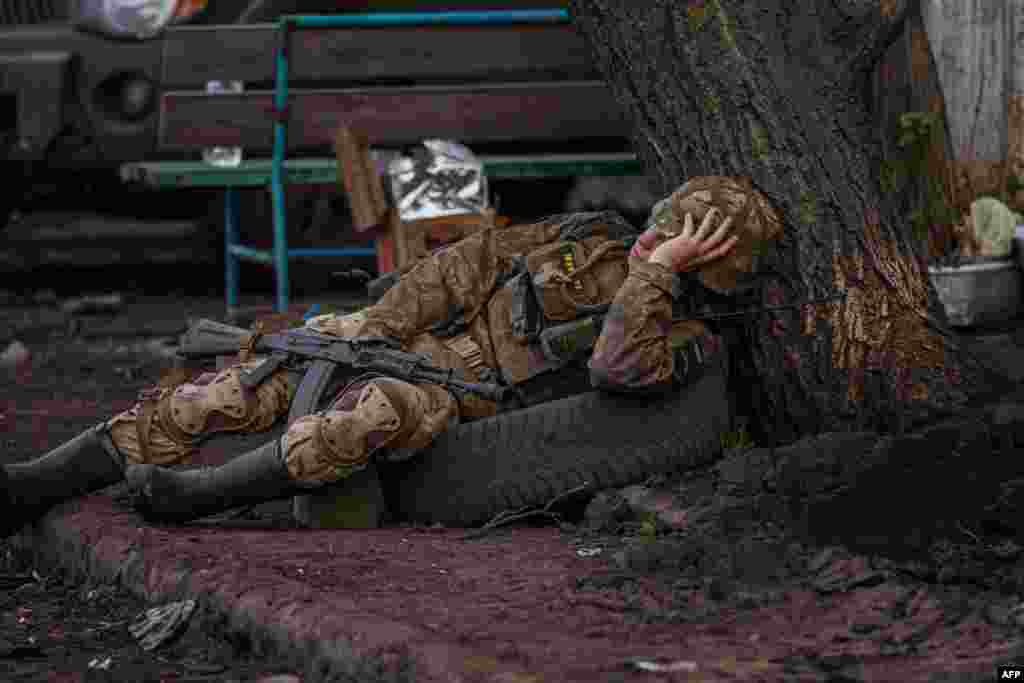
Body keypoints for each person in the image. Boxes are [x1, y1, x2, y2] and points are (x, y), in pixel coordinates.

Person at [0, 176, 782, 535]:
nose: (651, 240)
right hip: (415, 340)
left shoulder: (686, 344)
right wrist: (379, 323)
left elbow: (614, 368)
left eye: (675, 243)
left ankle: (198, 496)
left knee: (365, 415)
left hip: (465, 404)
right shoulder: (587, 237)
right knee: (243, 382)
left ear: (701, 268)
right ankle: (47, 481)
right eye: (661, 226)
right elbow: (466, 264)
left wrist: (653, 275)